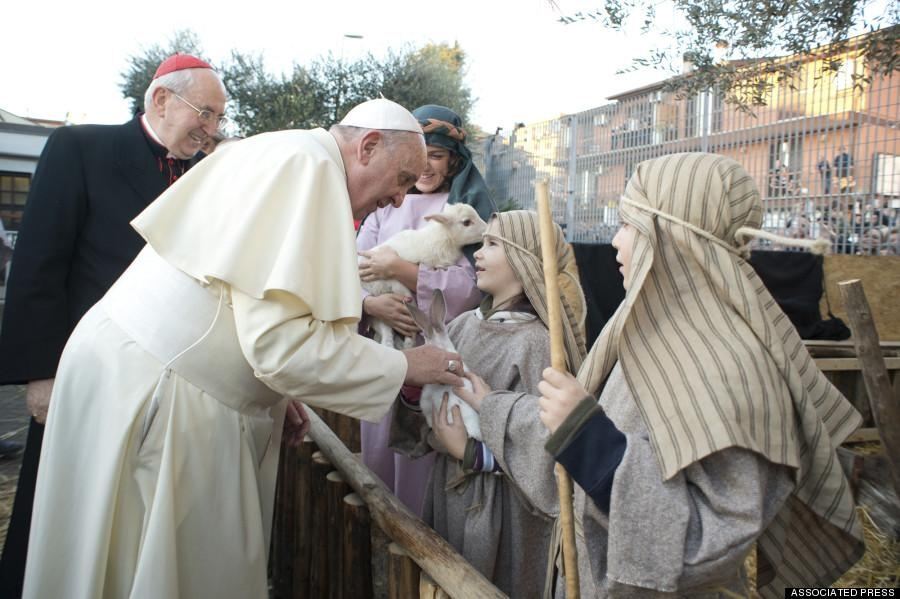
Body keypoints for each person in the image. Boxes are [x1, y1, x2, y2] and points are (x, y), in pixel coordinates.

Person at [20, 98, 464, 599]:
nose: (400, 199)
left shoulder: (288, 153)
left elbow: (242, 305)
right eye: (403, 178)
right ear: (367, 147)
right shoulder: (310, 172)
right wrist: (406, 365)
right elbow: (279, 347)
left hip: (137, 371)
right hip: (168, 396)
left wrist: (275, 394)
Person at [538, 153, 864, 596]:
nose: (615, 242)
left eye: (630, 225)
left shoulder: (734, 366)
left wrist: (588, 440)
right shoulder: (645, 337)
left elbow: (707, 541)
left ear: (670, 238)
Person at [0, 53, 227, 598]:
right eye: (205, 113)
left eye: (220, 118)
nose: (212, 129)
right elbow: (39, 263)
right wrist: (39, 374)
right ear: (161, 99)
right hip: (85, 372)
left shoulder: (204, 178)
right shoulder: (80, 147)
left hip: (161, 382)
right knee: (61, 505)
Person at [392, 210, 586, 597]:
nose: (478, 253)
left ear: (526, 258)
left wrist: (469, 452)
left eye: (493, 243)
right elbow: (423, 420)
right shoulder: (460, 326)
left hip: (504, 514)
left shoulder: (537, 344)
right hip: (448, 493)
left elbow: (548, 458)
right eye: (481, 243)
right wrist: (414, 393)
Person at [357, 104, 493, 515]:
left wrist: (401, 269)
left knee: (427, 446)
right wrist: (369, 305)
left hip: (434, 343)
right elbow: (356, 263)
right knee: (380, 443)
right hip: (386, 343)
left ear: (453, 160)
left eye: (436, 156)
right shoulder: (387, 203)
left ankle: (421, 535)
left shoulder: (464, 209)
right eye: (420, 157)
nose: (426, 167)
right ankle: (379, 526)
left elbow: (469, 286)